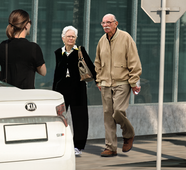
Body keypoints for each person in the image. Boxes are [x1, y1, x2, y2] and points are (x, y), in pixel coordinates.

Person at [94, 13, 141, 157]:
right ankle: (111, 147)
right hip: (106, 83)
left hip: (122, 82)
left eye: (108, 22)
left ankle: (129, 133)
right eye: (103, 23)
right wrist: (99, 79)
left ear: (116, 23)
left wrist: (134, 82)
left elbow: (134, 61)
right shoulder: (102, 40)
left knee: (118, 111)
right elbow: (97, 62)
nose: (105, 25)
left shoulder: (126, 38)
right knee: (108, 116)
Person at [53, 25, 96, 155]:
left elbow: (91, 67)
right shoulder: (58, 52)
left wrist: (98, 82)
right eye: (68, 36)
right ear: (63, 38)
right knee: (59, 117)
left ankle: (78, 146)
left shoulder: (80, 51)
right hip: (62, 89)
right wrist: (54, 90)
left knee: (80, 117)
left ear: (76, 38)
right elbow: (57, 73)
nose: (71, 38)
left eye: (73, 36)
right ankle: (59, 144)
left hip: (78, 88)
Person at [0, 9, 47, 90]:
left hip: (7, 94)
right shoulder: (33, 48)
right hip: (26, 96)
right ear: (26, 25)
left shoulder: (3, 46)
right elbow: (43, 72)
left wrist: (6, 81)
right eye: (30, 22)